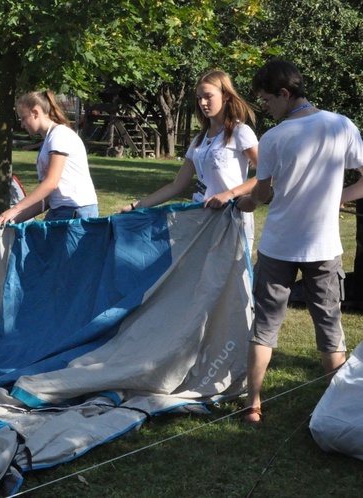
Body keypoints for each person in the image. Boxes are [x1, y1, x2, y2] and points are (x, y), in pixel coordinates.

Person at [236, 59, 363, 426]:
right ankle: (339, 413)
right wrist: (340, 195)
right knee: (330, 326)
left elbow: (260, 194)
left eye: (266, 101)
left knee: (265, 325)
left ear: (284, 93)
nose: (266, 109)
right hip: (324, 247)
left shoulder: (275, 137)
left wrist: (245, 202)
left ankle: (253, 405)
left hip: (278, 246)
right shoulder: (341, 125)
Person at [119, 70, 259, 247]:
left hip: (231, 219)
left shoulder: (240, 132)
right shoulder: (199, 139)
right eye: (199, 98)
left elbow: (267, 175)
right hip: (201, 219)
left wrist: (229, 194)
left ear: (226, 96)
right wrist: (135, 207)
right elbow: (176, 185)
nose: (202, 103)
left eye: (208, 96)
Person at [0, 90, 98, 226]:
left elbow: (51, 183)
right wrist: (16, 218)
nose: (22, 124)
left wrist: (15, 209)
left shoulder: (59, 134)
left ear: (35, 112)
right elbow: (48, 198)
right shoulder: (48, 140)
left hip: (76, 210)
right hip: (60, 210)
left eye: (23, 118)